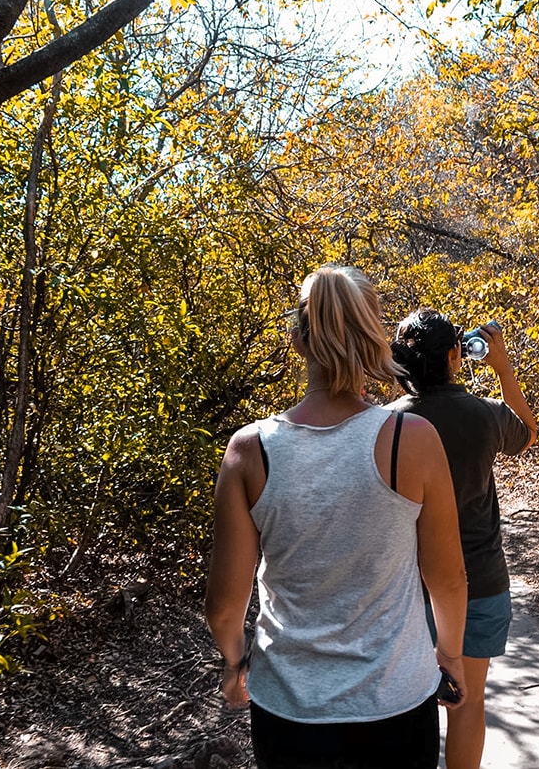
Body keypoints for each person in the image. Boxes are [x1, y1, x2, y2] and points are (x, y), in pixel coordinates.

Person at [206, 266, 469, 769]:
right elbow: (449, 579)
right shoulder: (411, 440)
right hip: (395, 703)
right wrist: (449, 656)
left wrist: (236, 661)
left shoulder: (249, 450)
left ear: (298, 340)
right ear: (375, 340)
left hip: (288, 709)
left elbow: (223, 606)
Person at [389, 310, 538, 769]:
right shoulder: (484, 416)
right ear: (457, 354)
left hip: (405, 588)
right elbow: (527, 433)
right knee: (468, 703)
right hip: (480, 581)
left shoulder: (387, 425)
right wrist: (504, 369)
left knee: (404, 709)